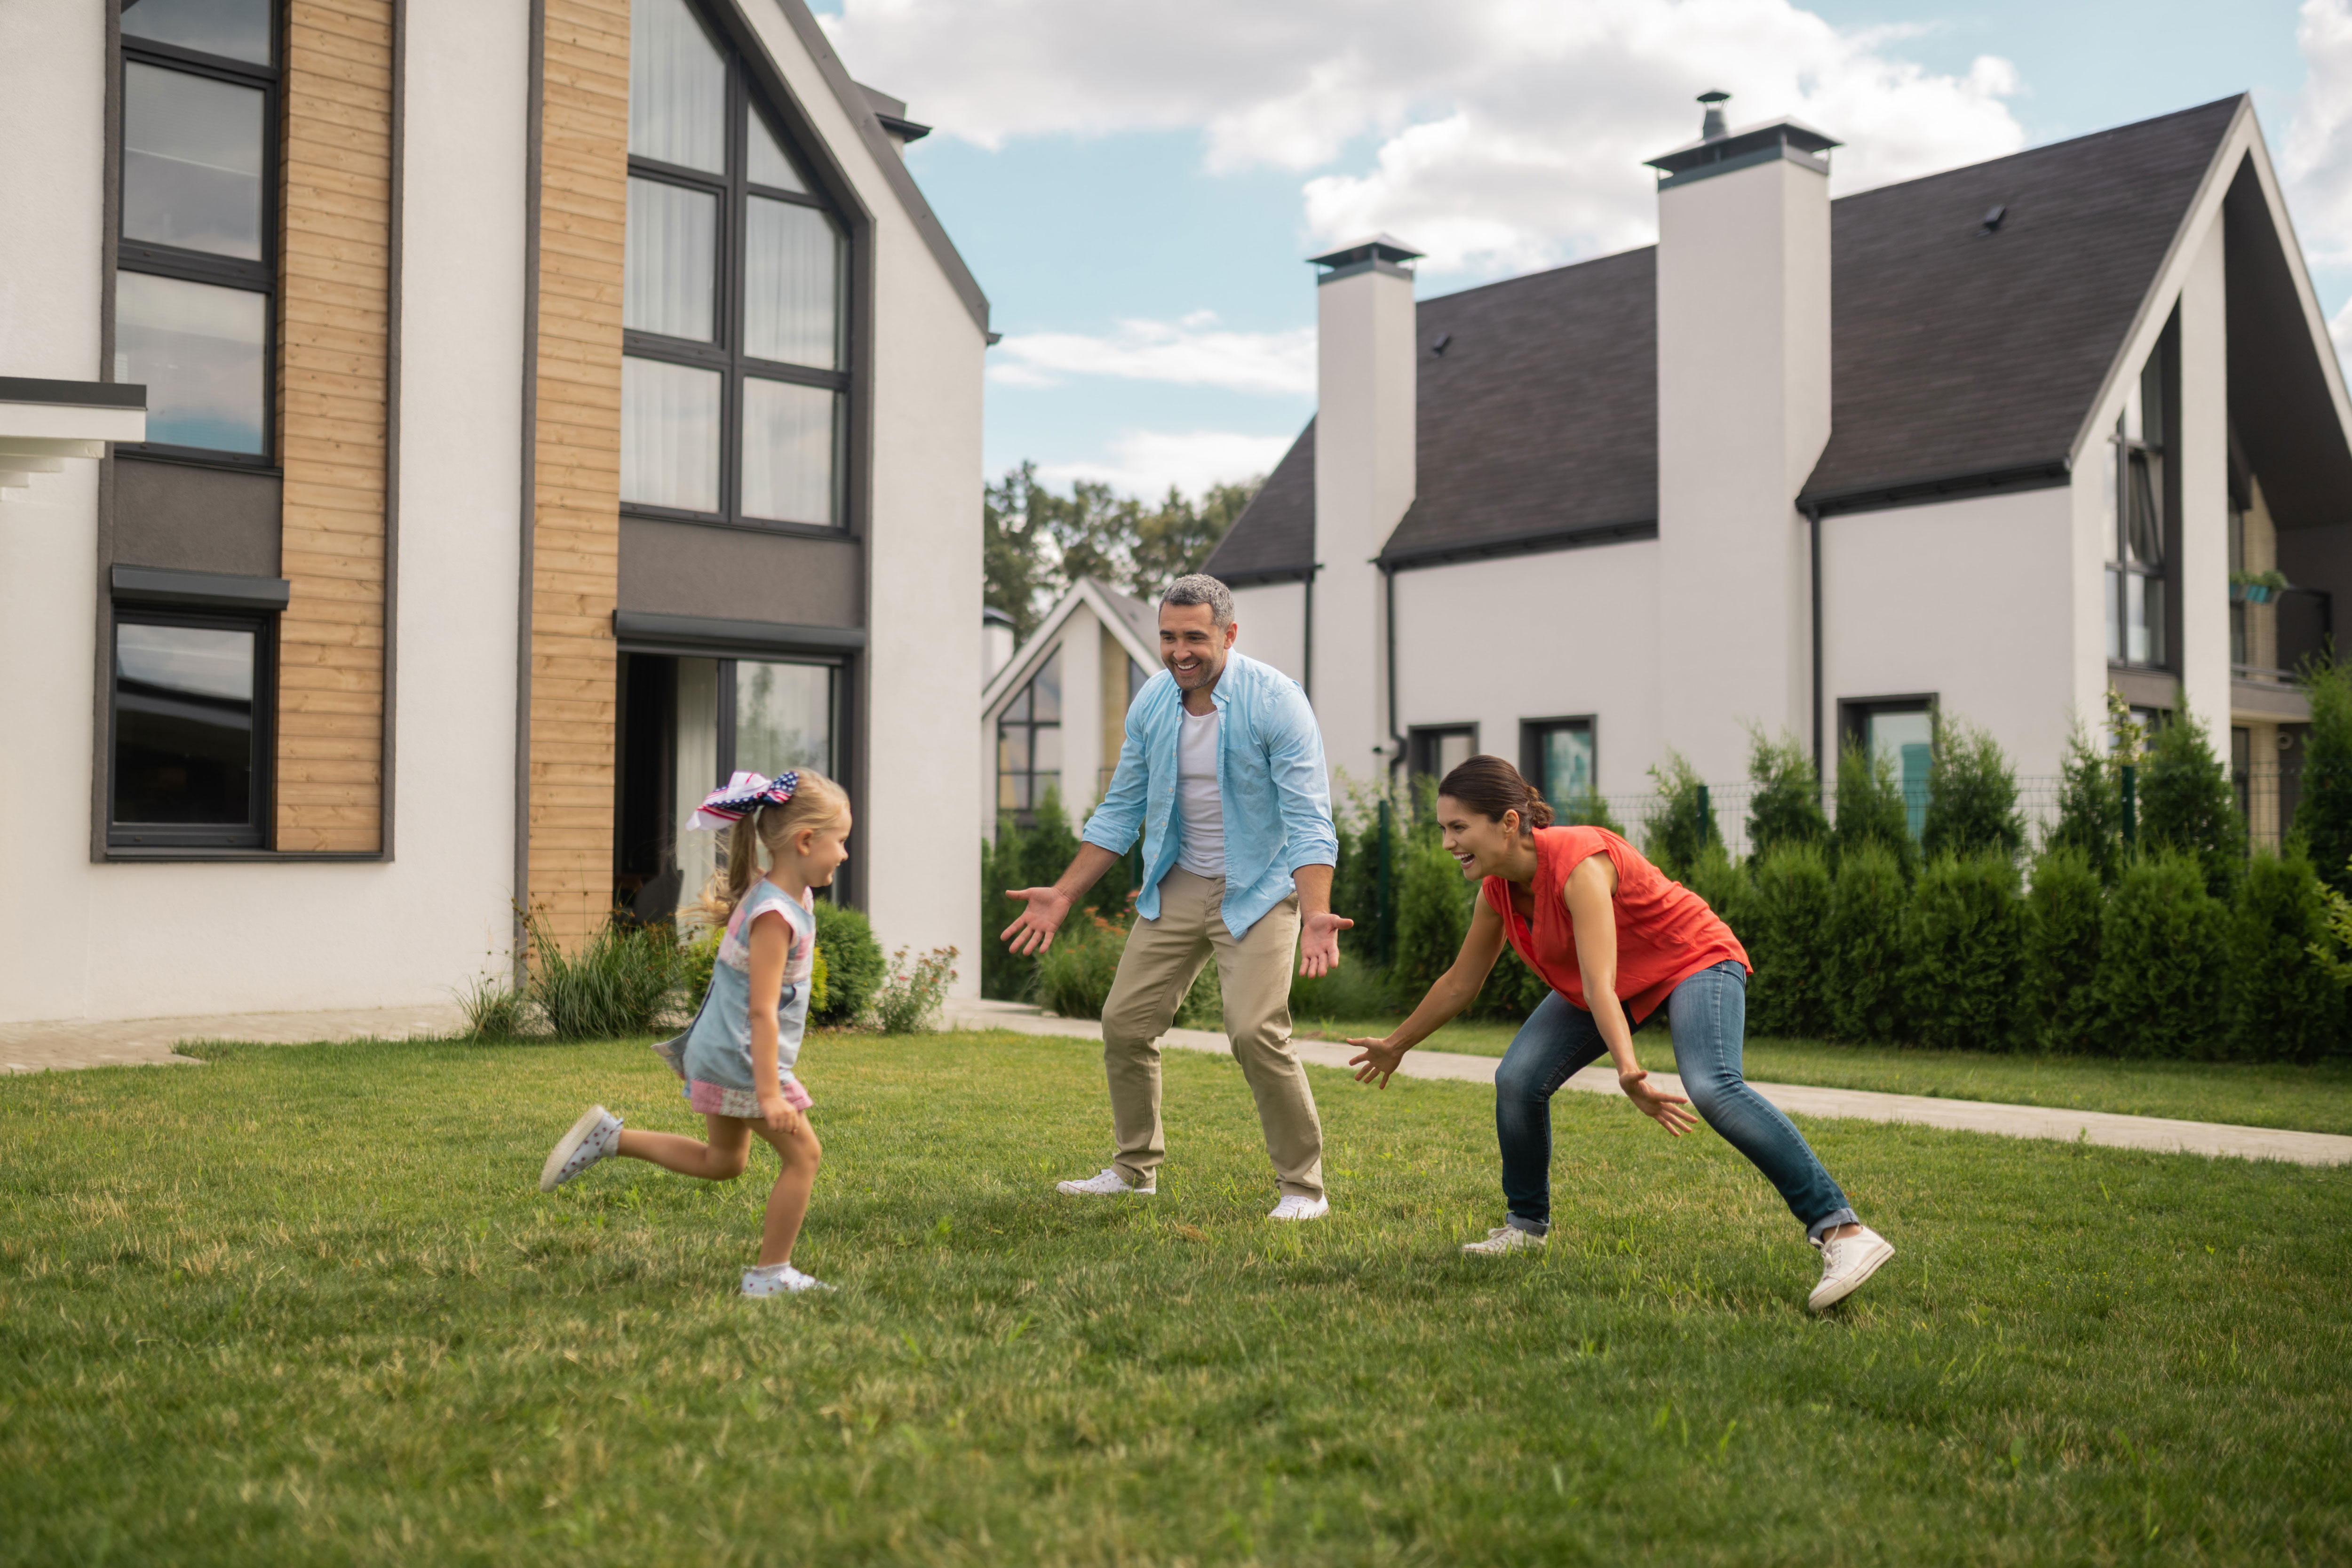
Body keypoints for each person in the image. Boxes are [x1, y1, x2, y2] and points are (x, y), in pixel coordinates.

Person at [1346, 755, 1894, 1311]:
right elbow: (1460, 984)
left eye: (1457, 827)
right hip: (1613, 983)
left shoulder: (1578, 863)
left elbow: (1598, 982)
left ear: (1508, 822)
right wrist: (1396, 1044)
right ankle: (1524, 1226)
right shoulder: (1497, 893)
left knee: (1712, 1085)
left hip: (1691, 959)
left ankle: (1843, 1231)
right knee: (1517, 1079)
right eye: (1443, 828)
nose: (1446, 843)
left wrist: (1627, 1071)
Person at [1001, 573, 1350, 1220]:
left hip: (1262, 888)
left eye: (1195, 637)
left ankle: (1303, 1188)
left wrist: (1317, 911)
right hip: (1180, 880)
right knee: (1125, 1024)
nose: (1180, 651)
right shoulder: (1155, 702)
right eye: (1168, 636)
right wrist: (1065, 893)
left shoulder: (1277, 702)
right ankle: (1135, 1171)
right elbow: (1122, 807)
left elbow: (1308, 818)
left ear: (1228, 634)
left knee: (1254, 1031)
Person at [539, 769, 848, 1297]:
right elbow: (762, 1011)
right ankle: (769, 1275)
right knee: (805, 1157)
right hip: (740, 1056)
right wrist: (770, 1092)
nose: (842, 854)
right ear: (804, 841)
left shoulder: (783, 896)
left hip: (720, 1049)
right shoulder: (774, 914)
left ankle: (609, 1139)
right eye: (839, 841)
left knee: (724, 1163)